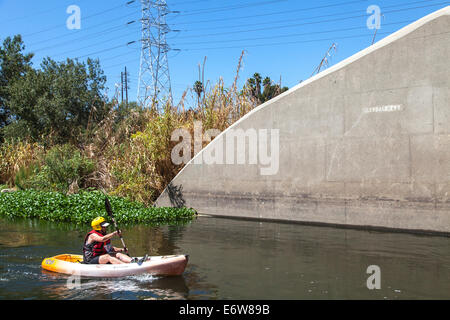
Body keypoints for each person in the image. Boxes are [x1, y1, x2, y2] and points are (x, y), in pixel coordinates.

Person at [83, 217, 147, 265]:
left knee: (117, 254)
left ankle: (133, 261)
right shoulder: (92, 235)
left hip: (100, 257)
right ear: (98, 227)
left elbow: (110, 249)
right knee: (108, 257)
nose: (105, 228)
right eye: (103, 226)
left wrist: (122, 250)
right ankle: (126, 267)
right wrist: (114, 233)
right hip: (90, 260)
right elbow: (102, 239)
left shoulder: (104, 235)